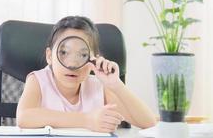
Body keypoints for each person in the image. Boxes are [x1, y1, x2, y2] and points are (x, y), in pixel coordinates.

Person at [16, 16, 156, 132]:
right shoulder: (38, 80)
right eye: (63, 53)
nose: (72, 64)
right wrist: (87, 120)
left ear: (93, 59)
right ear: (49, 56)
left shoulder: (99, 86)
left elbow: (149, 123)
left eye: (83, 55)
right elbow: (23, 117)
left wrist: (116, 85)